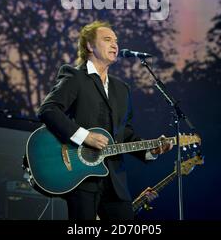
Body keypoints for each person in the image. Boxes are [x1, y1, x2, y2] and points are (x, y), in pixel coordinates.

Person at [37, 20, 172, 220]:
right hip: (82, 178)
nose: (115, 45)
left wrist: (149, 151)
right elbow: (48, 110)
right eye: (107, 39)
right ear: (90, 46)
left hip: (116, 181)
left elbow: (124, 132)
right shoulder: (75, 76)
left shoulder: (122, 88)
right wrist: (85, 137)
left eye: (116, 41)